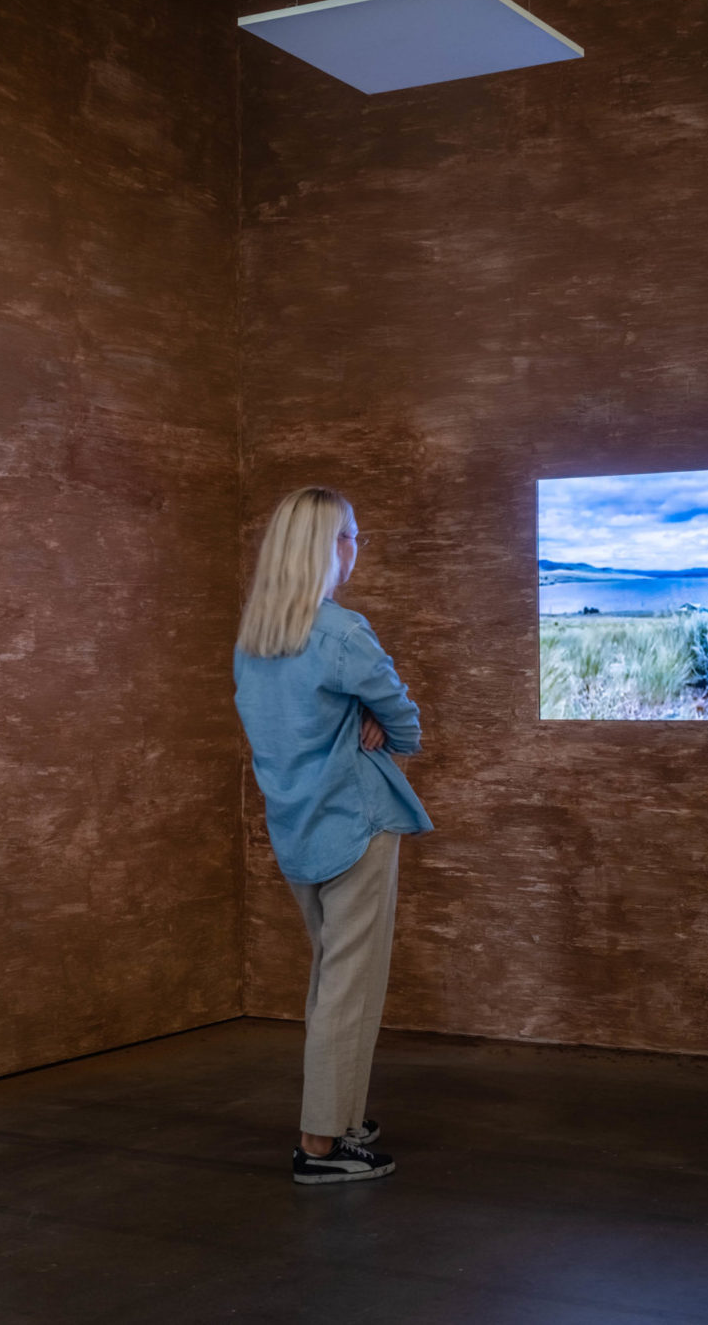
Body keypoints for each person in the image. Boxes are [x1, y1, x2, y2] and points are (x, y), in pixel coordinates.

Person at [232, 486, 434, 1185]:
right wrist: (376, 729)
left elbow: (284, 734)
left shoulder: (255, 641)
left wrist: (359, 721)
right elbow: (405, 721)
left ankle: (343, 1115)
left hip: (296, 829)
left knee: (331, 980)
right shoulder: (342, 632)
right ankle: (321, 1143)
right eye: (351, 534)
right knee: (351, 987)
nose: (357, 547)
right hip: (356, 823)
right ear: (326, 547)